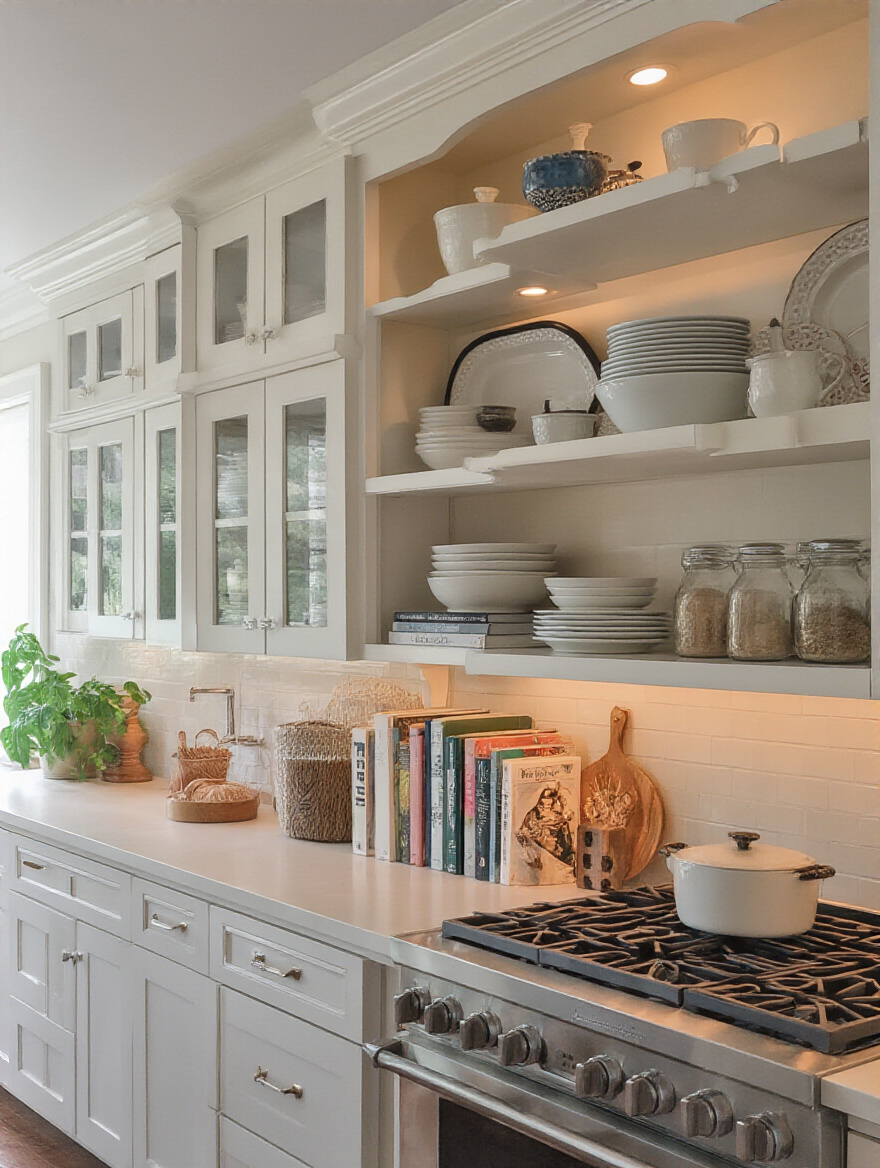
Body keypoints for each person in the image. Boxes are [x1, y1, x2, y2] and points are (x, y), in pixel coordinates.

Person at [518, 783, 575, 871]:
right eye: (545, 798)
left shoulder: (557, 814)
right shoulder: (533, 814)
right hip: (539, 844)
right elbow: (528, 830)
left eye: (550, 798)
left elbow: (560, 822)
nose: (548, 802)